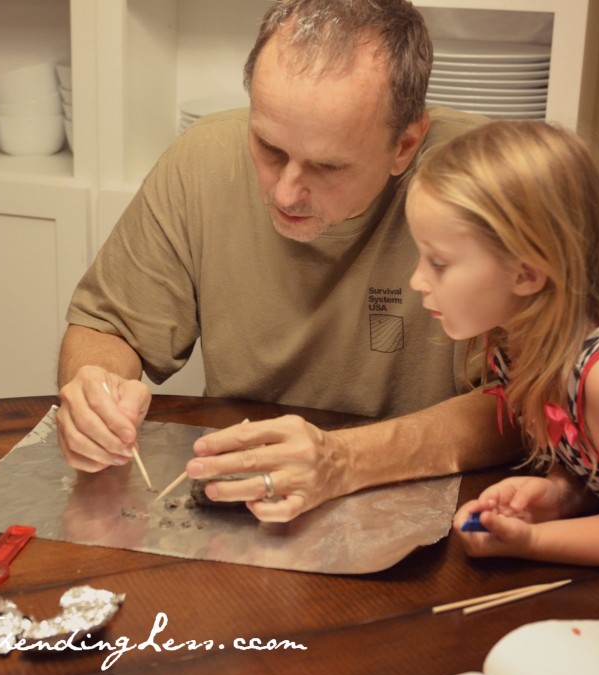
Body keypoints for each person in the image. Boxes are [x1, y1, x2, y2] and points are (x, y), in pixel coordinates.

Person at [57, 0, 522, 523]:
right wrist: (96, 394)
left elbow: (528, 405)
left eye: (326, 165)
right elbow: (108, 327)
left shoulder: (485, 181)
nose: (285, 192)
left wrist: (348, 460)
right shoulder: (202, 160)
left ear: (405, 145)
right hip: (239, 510)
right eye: (268, 147)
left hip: (428, 503)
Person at [407, 120, 599, 565]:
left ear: (527, 275)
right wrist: (558, 493)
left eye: (438, 261)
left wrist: (531, 544)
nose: (417, 279)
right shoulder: (516, 343)